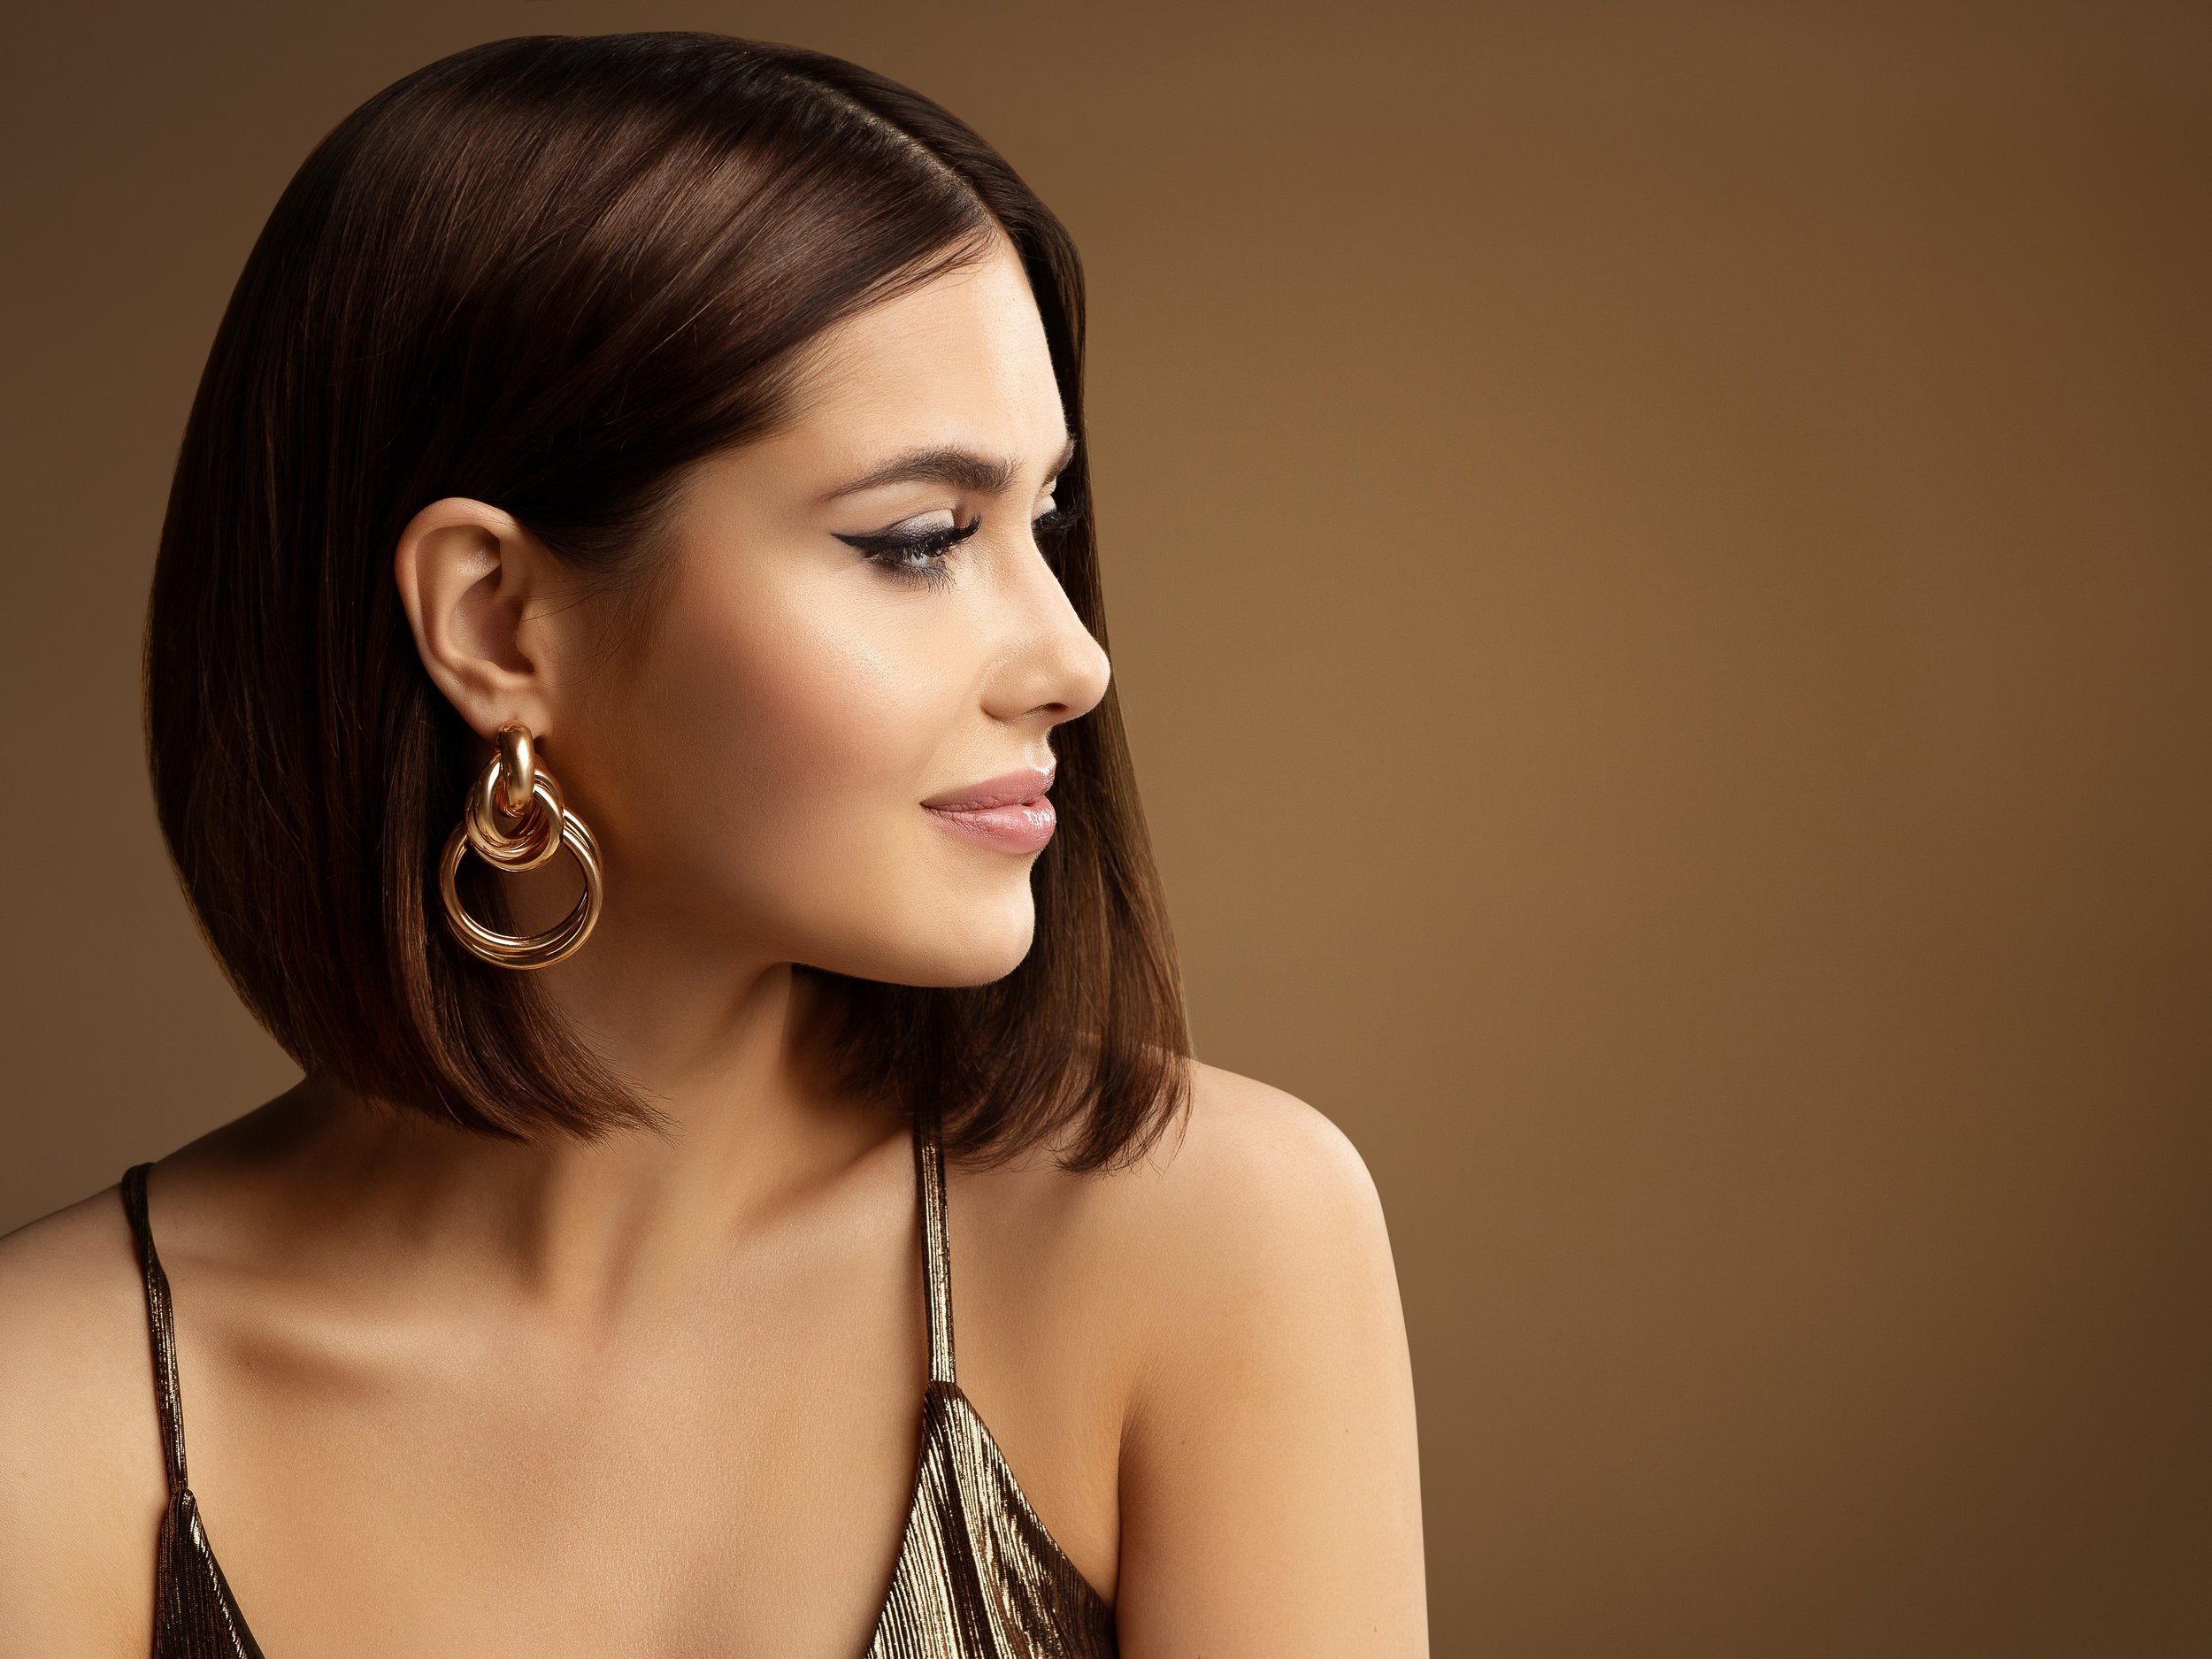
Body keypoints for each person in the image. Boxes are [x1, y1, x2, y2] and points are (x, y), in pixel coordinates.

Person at [0, 32, 1426, 1657]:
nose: (1074, 662)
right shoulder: (53, 1419)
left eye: (1051, 523)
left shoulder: (1203, 1241)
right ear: (498, 622)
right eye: (917, 541)